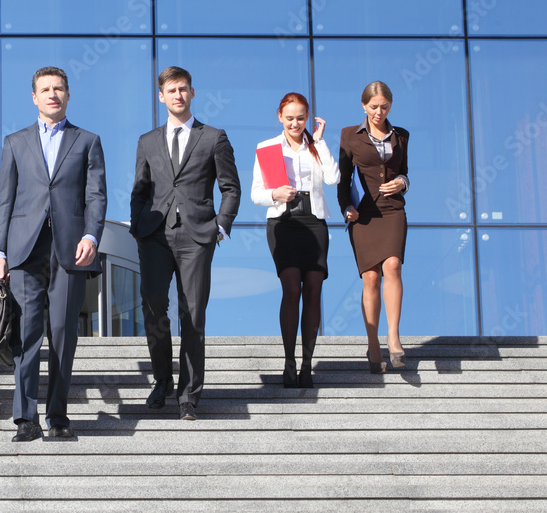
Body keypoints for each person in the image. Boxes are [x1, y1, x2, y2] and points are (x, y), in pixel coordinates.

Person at [0, 66, 106, 442]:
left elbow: (95, 196)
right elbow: (5, 201)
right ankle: (26, 418)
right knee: (27, 332)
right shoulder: (14, 142)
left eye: (59, 89)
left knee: (61, 332)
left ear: (68, 95)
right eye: (45, 89)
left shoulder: (87, 140)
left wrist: (92, 235)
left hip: (72, 248)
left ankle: (58, 415)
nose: (52, 94)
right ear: (34, 97)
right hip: (25, 248)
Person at [130, 66, 240, 421]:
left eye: (183, 89)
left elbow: (230, 187)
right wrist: (137, 226)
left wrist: (221, 225)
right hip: (155, 236)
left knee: (192, 314)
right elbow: (140, 190)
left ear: (192, 93)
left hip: (196, 237)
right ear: (160, 97)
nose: (178, 95)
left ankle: (189, 394)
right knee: (154, 307)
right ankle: (162, 380)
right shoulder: (147, 141)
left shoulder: (213, 137)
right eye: (171, 90)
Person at [251, 93, 339, 389]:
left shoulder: (316, 147)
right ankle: (289, 361)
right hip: (284, 222)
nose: (295, 123)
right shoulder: (267, 148)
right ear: (280, 116)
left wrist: (321, 141)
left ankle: (306, 365)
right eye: (289, 118)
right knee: (292, 287)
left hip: (314, 222)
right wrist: (276, 194)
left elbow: (333, 179)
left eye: (301, 118)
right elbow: (256, 194)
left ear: (308, 117)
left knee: (313, 289)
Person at [337, 81, 410, 373]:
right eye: (373, 107)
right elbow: (343, 180)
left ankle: (393, 337)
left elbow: (405, 171)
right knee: (370, 278)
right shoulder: (348, 136)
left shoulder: (402, 136)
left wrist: (403, 182)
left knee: (392, 266)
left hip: (393, 211)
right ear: (364, 105)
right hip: (363, 215)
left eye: (384, 107)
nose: (379, 112)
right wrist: (346, 208)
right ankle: (373, 344)